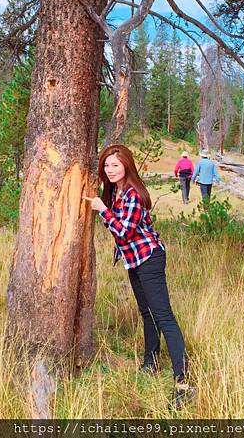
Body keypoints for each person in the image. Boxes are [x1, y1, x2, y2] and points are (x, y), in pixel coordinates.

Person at [83, 144, 196, 410]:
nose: (110, 170)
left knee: (163, 315)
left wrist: (102, 209)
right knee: (146, 313)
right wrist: (105, 206)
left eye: (115, 165)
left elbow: (124, 232)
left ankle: (183, 381)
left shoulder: (132, 194)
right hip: (134, 260)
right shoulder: (117, 192)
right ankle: (151, 363)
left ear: (127, 166)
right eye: (106, 166)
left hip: (149, 258)